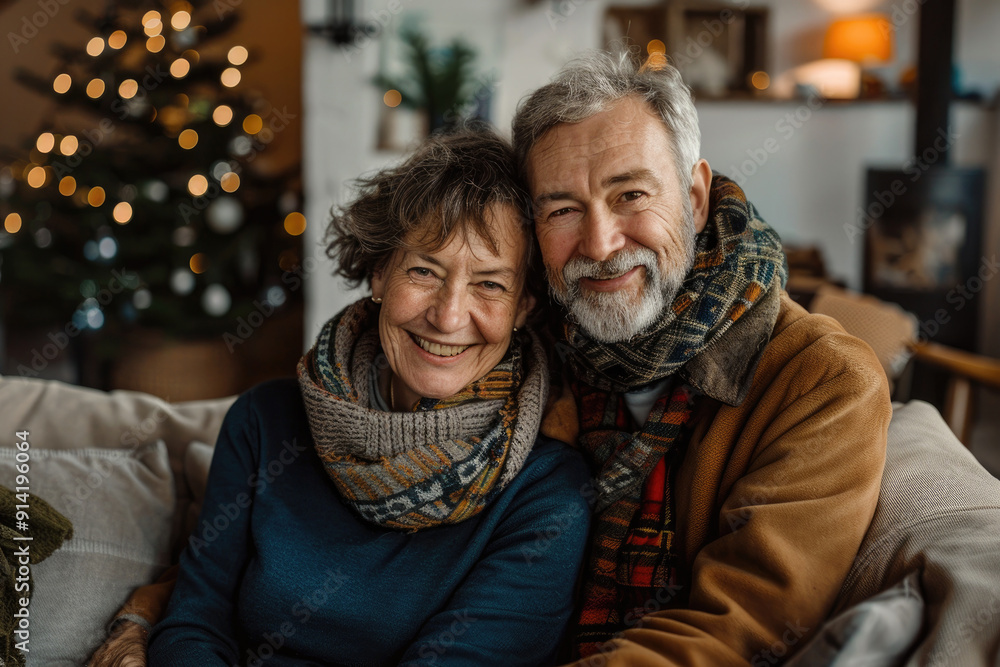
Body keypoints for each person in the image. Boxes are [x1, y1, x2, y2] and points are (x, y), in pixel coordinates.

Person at [134, 128, 591, 666]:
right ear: (379, 273)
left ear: (523, 307)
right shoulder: (265, 422)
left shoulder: (549, 494)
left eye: (490, 284)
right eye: (424, 270)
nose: (447, 316)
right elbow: (193, 623)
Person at [510, 49, 892, 665]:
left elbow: (737, 628)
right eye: (562, 210)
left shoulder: (824, 382)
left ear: (694, 198)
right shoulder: (527, 352)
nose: (601, 243)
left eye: (630, 194)